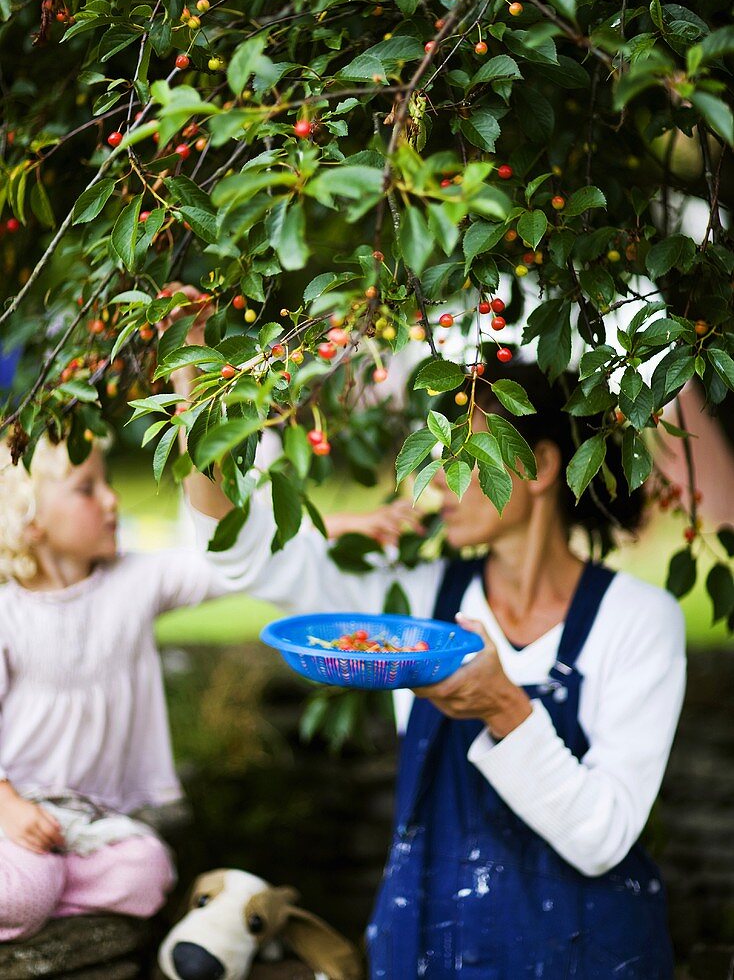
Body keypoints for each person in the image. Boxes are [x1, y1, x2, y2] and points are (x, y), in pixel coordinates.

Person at [169, 305, 685, 977]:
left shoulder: (639, 620)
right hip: (433, 951)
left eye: (460, 457)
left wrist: (507, 709)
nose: (436, 481)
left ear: (539, 466)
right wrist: (197, 381)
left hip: (590, 957)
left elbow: (602, 839)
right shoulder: (413, 599)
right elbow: (233, 547)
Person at [0, 435, 246, 942]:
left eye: (107, 482)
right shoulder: (8, 614)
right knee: (24, 887)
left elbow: (224, 563)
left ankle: (37, 892)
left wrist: (338, 530)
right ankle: (28, 891)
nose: (112, 499)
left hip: (86, 825)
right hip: (12, 814)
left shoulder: (134, 581)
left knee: (148, 873)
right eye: (86, 488)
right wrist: (9, 806)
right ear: (30, 520)